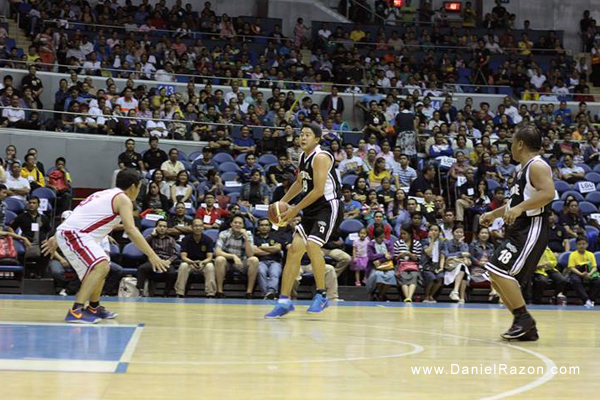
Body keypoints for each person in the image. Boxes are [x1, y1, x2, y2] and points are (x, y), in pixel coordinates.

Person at [42, 170, 170, 324]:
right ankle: (76, 311)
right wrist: (152, 255)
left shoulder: (105, 194)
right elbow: (131, 230)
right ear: (133, 186)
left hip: (75, 233)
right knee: (101, 266)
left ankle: (94, 308)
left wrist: (57, 235)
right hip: (76, 234)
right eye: (139, 187)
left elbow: (79, 214)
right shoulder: (123, 199)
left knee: (103, 266)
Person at [480, 125, 555, 341]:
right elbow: (516, 203)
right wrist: (494, 214)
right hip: (519, 228)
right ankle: (523, 324)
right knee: (495, 275)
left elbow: (548, 193)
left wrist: (520, 209)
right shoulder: (521, 169)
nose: (511, 147)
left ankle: (524, 319)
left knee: (499, 270)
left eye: (512, 142)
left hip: (532, 227)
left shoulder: (537, 166)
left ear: (520, 144)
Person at [265, 123, 343, 318]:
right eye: (301, 134)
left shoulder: (322, 157)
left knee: (312, 244)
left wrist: (293, 211)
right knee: (294, 249)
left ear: (317, 139)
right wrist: (281, 203)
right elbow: (300, 183)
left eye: (308, 135)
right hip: (311, 207)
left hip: (327, 206)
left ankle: (321, 294)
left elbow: (317, 191)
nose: (303, 137)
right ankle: (283, 300)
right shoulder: (303, 157)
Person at [214, 215, 259, 298]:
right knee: (219, 259)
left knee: (254, 260)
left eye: (240, 223)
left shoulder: (248, 234)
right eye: (235, 222)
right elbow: (217, 251)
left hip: (242, 263)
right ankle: (219, 292)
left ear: (243, 226)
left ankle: (249, 293)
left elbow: (250, 254)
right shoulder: (224, 233)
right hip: (228, 262)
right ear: (231, 224)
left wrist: (246, 238)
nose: (237, 225)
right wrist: (233, 256)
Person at [174, 218, 217, 298]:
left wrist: (203, 262)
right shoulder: (185, 239)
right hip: (189, 263)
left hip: (203, 263)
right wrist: (192, 262)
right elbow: (183, 257)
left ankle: (210, 293)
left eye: (200, 226)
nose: (198, 228)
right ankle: (179, 293)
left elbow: (210, 257)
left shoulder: (208, 240)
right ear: (192, 227)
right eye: (196, 226)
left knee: (210, 267)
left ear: (203, 227)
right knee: (183, 266)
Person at [136, 219, 178, 296]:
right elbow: (142, 245)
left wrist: (168, 261)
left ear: (167, 228)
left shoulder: (171, 239)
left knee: (172, 273)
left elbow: (175, 254)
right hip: (153, 261)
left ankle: (166, 293)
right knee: (141, 268)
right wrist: (152, 235)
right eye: (160, 226)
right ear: (156, 227)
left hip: (165, 261)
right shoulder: (151, 238)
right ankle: (140, 291)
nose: (162, 228)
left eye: (164, 226)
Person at [253, 218, 284, 299]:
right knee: (260, 271)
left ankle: (271, 292)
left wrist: (261, 247)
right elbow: (254, 251)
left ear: (270, 227)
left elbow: (278, 248)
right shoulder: (254, 238)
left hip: (275, 262)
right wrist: (271, 250)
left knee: (274, 272)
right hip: (260, 262)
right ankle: (266, 294)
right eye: (262, 225)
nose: (264, 227)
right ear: (258, 227)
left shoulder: (276, 236)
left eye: (266, 225)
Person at [566, 236, 600, 307]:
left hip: (589, 272)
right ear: (576, 245)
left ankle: (592, 300)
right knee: (575, 280)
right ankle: (586, 300)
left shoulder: (590, 254)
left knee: (598, 281)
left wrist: (590, 274)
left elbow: (594, 267)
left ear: (587, 244)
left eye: (583, 244)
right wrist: (581, 274)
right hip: (577, 272)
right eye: (579, 244)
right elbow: (571, 268)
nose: (581, 246)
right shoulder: (572, 254)